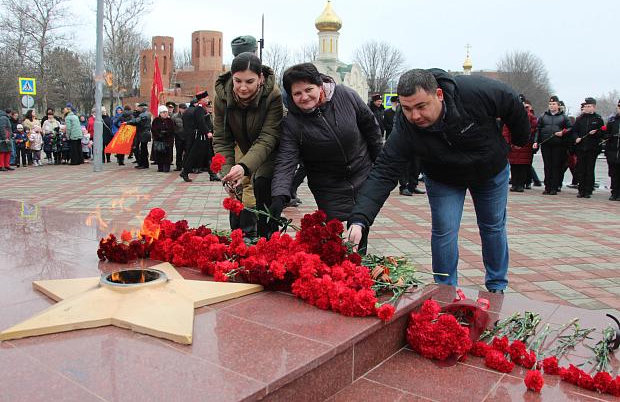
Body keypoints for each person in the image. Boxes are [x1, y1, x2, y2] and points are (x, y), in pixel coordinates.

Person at [346, 68, 529, 293]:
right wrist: (360, 219)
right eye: (407, 108)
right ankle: (445, 289)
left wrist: (521, 138)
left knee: (492, 226)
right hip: (443, 176)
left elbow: (510, 101)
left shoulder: (474, 91)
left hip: (489, 170)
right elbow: (384, 171)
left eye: (421, 106)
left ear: (439, 95)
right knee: (444, 229)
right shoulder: (405, 127)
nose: (415, 116)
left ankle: (497, 285)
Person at [271, 63, 382, 250]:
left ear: (320, 85)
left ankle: (359, 269)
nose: (304, 97)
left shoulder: (346, 96)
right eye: (297, 93)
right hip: (328, 185)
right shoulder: (292, 122)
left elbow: (371, 128)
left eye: (309, 89)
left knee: (360, 227)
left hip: (362, 172)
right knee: (335, 237)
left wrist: (380, 165)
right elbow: (286, 159)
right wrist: (279, 194)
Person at [213, 52, 283, 238]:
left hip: (271, 150)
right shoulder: (222, 97)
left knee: (261, 185)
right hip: (243, 149)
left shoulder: (273, 95)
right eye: (238, 81)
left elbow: (268, 136)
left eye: (249, 82)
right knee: (237, 187)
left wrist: (244, 166)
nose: (243, 87)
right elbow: (222, 139)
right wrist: (227, 172)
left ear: (260, 78)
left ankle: (267, 240)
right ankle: (242, 238)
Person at [532, 96, 571, 195]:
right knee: (547, 166)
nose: (551, 106)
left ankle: (554, 187)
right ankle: (547, 187)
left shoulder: (563, 117)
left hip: (558, 145)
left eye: (554, 104)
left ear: (558, 105)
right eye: (550, 104)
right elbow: (538, 130)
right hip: (546, 144)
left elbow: (570, 128)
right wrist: (536, 141)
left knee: (556, 166)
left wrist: (563, 132)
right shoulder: (543, 116)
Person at [571, 97, 604, 198]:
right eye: (585, 106)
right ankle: (581, 190)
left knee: (589, 170)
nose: (586, 108)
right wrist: (576, 138)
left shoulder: (598, 119)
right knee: (581, 170)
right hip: (581, 148)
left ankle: (588, 190)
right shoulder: (580, 119)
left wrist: (596, 132)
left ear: (593, 107)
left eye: (589, 106)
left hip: (592, 148)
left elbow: (603, 132)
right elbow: (574, 131)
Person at [504, 99, 537, 192]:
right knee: (513, 165)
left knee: (523, 166)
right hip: (513, 144)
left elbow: (534, 129)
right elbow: (506, 129)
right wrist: (507, 142)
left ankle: (521, 184)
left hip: (524, 145)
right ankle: (514, 184)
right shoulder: (510, 115)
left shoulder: (530, 116)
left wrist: (524, 139)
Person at [179, 92, 211, 182]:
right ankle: (185, 172)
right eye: (206, 98)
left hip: (203, 136)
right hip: (201, 136)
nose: (208, 100)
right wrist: (207, 132)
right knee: (194, 155)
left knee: (208, 154)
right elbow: (201, 122)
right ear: (202, 99)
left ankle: (212, 174)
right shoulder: (199, 109)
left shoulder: (201, 108)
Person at [127, 103, 152, 169]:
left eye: (139, 107)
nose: (138, 109)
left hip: (144, 133)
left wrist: (127, 122)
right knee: (144, 149)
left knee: (143, 150)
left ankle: (144, 164)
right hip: (145, 133)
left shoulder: (143, 114)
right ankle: (144, 164)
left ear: (142, 108)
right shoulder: (147, 113)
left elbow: (136, 121)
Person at [604, 100, 620, 201]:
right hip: (613, 151)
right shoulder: (612, 121)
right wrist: (611, 136)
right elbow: (605, 135)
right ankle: (614, 192)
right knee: (614, 173)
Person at [151, 105, 175, 172]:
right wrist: (159, 134)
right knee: (159, 154)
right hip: (159, 140)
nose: (165, 114)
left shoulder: (169, 120)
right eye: (163, 112)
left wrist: (166, 132)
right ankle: (160, 167)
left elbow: (172, 129)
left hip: (168, 140)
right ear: (160, 113)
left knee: (167, 154)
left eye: (166, 112)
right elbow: (153, 129)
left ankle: (167, 167)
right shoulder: (156, 120)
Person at [171, 102, 185, 171]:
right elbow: (172, 127)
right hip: (178, 137)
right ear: (179, 109)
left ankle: (185, 165)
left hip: (186, 137)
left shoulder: (187, 115)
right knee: (179, 152)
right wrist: (176, 133)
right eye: (183, 108)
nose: (184, 110)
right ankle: (178, 166)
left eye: (185, 108)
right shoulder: (174, 116)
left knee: (187, 152)